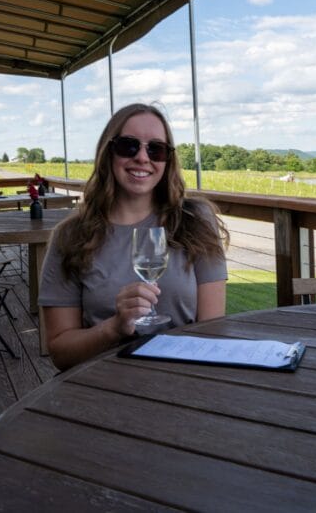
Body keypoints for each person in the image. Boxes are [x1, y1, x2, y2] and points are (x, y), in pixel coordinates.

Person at [39, 103, 229, 370]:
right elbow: (60, 352)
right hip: (103, 384)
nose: (142, 157)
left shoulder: (196, 221)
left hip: (185, 378)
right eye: (129, 145)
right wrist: (114, 327)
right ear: (108, 152)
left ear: (168, 159)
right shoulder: (71, 237)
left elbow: (212, 330)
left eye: (156, 149)